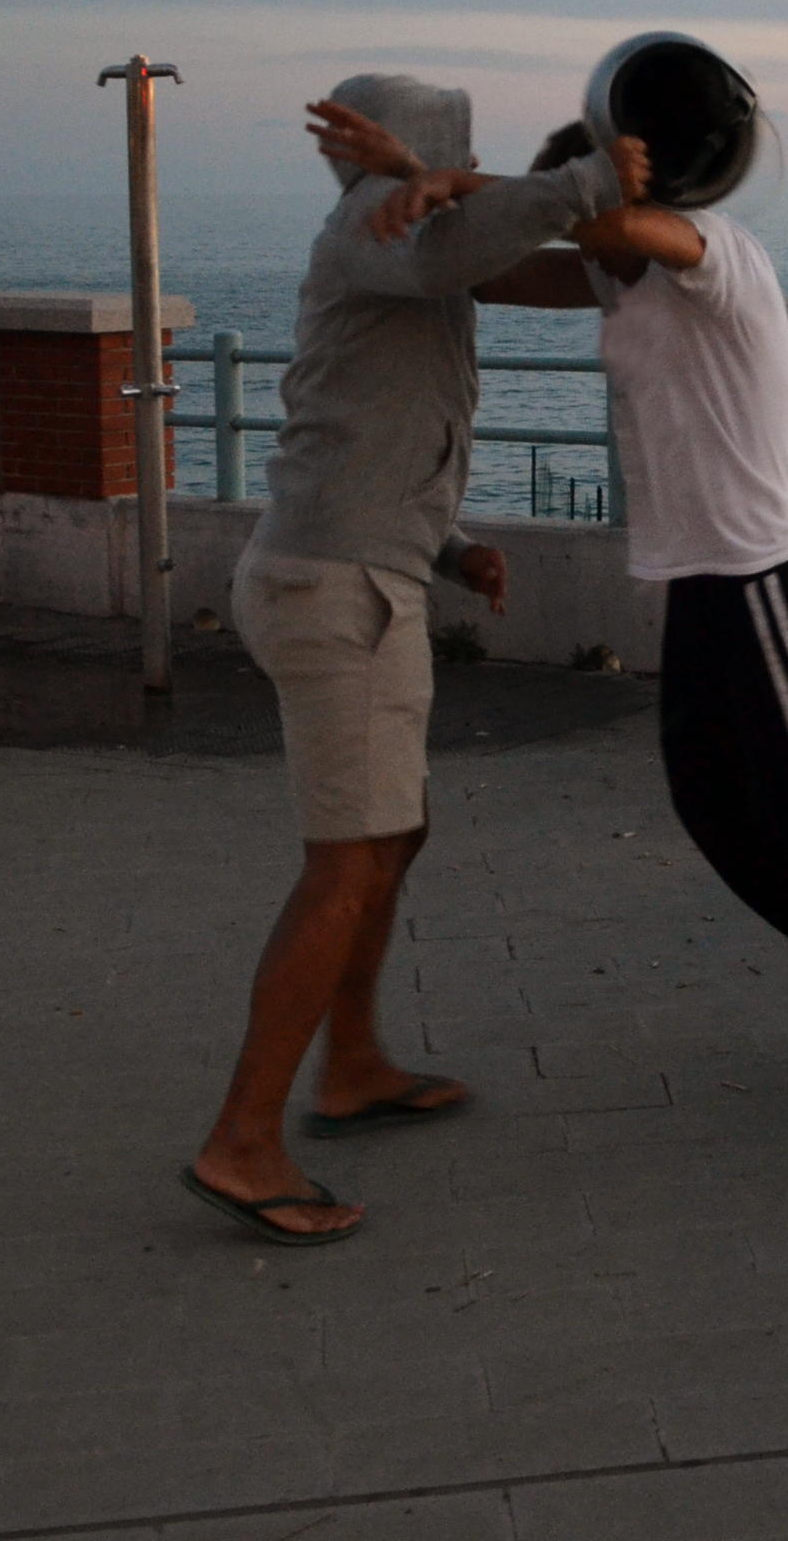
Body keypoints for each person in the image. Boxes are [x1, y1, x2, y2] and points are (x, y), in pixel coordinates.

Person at [365, 41, 788, 1132]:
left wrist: (464, 180)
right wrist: (405, 197)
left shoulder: (716, 255)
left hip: (762, 585)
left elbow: (627, 229)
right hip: (700, 588)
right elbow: (494, 275)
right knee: (718, 813)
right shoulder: (619, 272)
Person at [179, 73, 643, 1247]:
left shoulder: (418, 246)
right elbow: (479, 244)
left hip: (363, 573)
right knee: (342, 867)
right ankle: (242, 1140)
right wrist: (586, 178)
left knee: (395, 836)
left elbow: (551, 283)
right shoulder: (375, 227)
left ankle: (354, 1066)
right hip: (334, 594)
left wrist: (451, 547)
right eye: (454, 147)